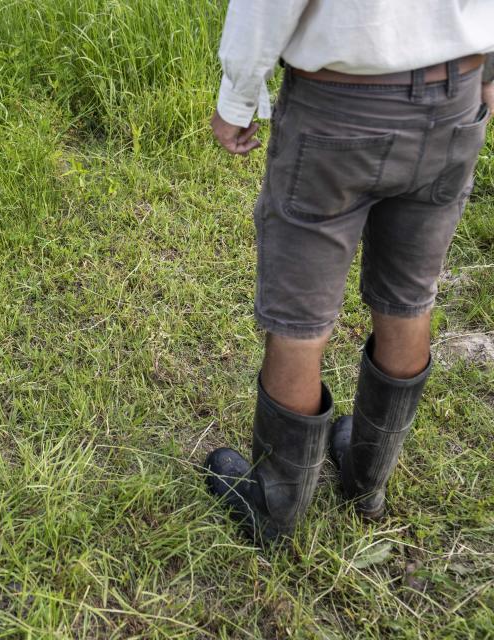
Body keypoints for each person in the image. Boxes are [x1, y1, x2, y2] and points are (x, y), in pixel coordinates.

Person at [203, 0, 494, 543]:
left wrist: (237, 96)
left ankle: (276, 506)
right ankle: (367, 481)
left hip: (342, 104)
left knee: (300, 312)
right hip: (457, 92)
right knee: (410, 294)